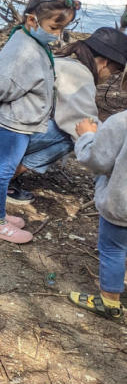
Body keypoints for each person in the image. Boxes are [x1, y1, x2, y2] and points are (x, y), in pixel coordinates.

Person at [0, 27, 127, 203]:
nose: (110, 77)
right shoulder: (78, 75)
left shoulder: (58, 59)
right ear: (105, 62)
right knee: (67, 134)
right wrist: (112, 156)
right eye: (115, 71)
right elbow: (83, 123)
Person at [0, 0, 77, 243]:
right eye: (54, 28)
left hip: (16, 118)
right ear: (32, 20)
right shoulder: (23, 48)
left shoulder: (28, 40)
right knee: (3, 170)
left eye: (62, 29)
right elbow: (2, 83)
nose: (58, 35)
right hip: (16, 121)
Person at [69, 105, 127, 320]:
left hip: (122, 204)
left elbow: (97, 160)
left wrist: (87, 136)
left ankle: (109, 301)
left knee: (113, 249)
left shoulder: (121, 122)